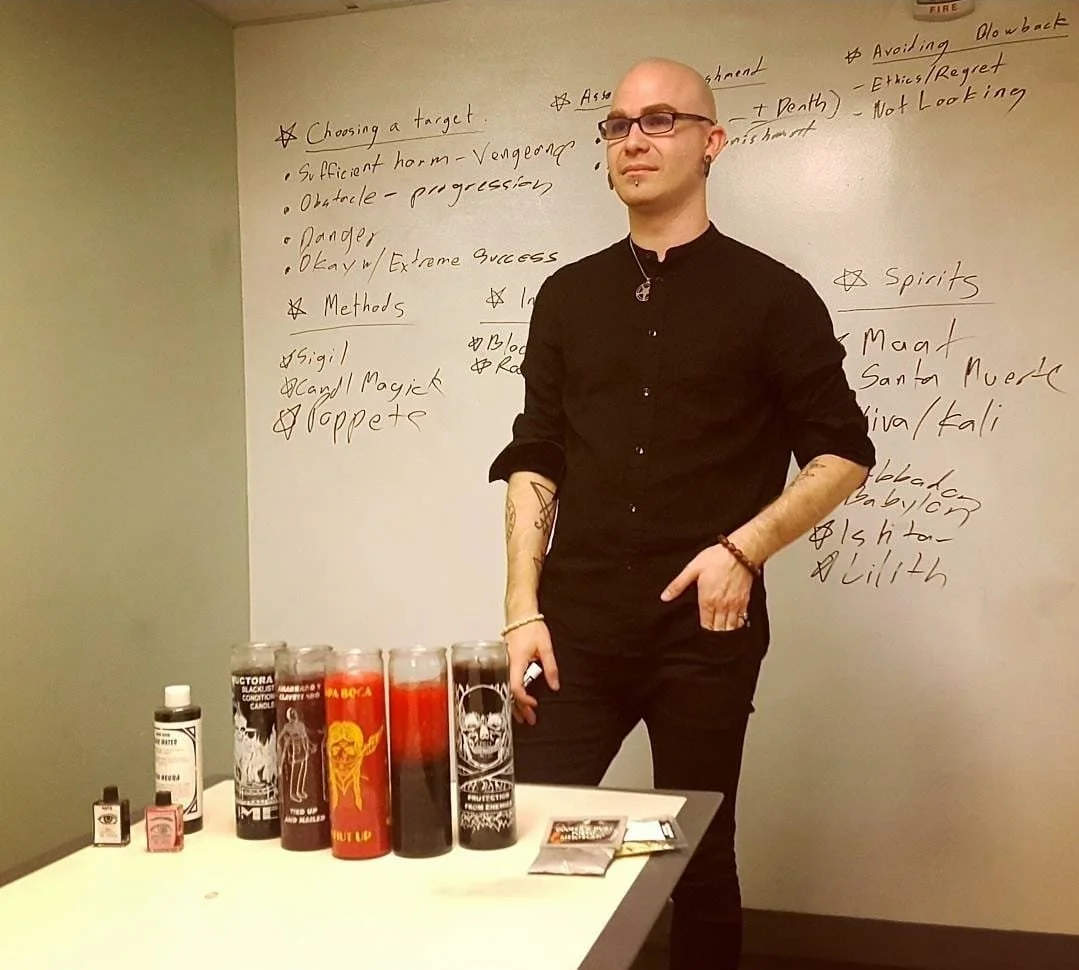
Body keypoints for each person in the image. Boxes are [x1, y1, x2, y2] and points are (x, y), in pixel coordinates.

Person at [488, 58, 876, 970]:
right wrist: (520, 609)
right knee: (531, 838)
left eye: (660, 121)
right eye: (617, 124)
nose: (633, 138)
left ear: (711, 142)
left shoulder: (774, 297)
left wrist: (741, 550)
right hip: (572, 624)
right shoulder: (567, 296)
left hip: (705, 626)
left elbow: (842, 452)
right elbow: (535, 454)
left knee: (696, 854)